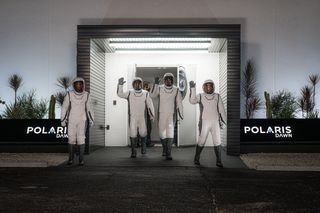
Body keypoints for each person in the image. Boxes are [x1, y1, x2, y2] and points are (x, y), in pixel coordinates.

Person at [189, 79, 226, 168]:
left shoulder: (217, 96)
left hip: (215, 123)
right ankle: (196, 158)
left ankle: (219, 161)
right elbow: (192, 101)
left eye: (210, 86)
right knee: (201, 141)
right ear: (204, 87)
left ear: (213, 86)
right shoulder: (200, 96)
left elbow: (222, 110)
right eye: (207, 86)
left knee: (217, 142)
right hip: (204, 123)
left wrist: (224, 122)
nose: (209, 87)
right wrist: (192, 88)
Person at [117, 77, 155, 158]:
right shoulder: (130, 92)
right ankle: (133, 151)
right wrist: (120, 85)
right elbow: (120, 94)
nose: (137, 84)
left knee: (143, 132)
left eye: (139, 83)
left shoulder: (145, 93)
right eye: (135, 83)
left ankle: (143, 149)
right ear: (133, 84)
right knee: (133, 133)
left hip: (142, 117)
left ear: (141, 84)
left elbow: (150, 105)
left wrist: (152, 115)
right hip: (133, 117)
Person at [61, 77, 94, 166]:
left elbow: (89, 108)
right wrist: (63, 120)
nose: (79, 86)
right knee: (71, 139)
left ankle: (81, 160)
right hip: (71, 120)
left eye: (80, 84)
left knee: (81, 139)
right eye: (77, 84)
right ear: (74, 85)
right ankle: (71, 159)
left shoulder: (86, 95)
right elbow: (64, 107)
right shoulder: (69, 94)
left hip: (82, 120)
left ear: (83, 85)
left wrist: (91, 119)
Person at [150, 73, 183, 160]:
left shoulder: (176, 89)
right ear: (164, 80)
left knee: (170, 133)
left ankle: (168, 153)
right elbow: (152, 95)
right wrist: (156, 84)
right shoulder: (160, 87)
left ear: (172, 80)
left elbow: (179, 102)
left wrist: (181, 114)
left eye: (170, 79)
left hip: (171, 115)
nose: (168, 80)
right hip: (161, 114)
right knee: (162, 133)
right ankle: (164, 148)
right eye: (167, 79)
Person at [143, 81, 154, 147]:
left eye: (149, 87)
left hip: (148, 114)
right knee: (146, 128)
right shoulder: (143, 94)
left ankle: (147, 142)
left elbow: (150, 106)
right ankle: (146, 143)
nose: (148, 88)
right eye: (146, 86)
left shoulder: (148, 95)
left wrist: (152, 115)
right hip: (144, 114)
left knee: (149, 128)